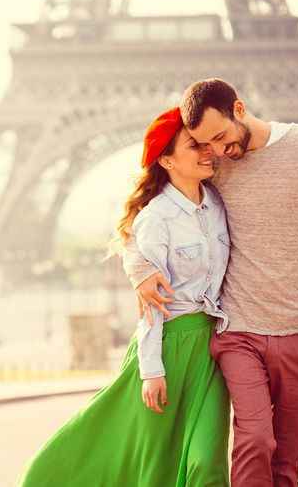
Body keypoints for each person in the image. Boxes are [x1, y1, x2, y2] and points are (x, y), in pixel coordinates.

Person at [122, 78, 298, 487]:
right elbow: (147, 221)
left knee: (287, 462)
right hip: (237, 332)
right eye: (204, 144)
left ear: (239, 109)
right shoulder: (215, 166)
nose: (216, 151)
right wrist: (139, 268)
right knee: (255, 441)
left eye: (220, 137)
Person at [16, 107, 231, 486]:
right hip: (168, 348)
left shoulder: (219, 203)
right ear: (166, 159)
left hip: (211, 350)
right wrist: (152, 370)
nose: (205, 152)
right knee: (154, 466)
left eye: (205, 144)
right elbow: (150, 305)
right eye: (193, 146)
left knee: (205, 462)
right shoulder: (156, 218)